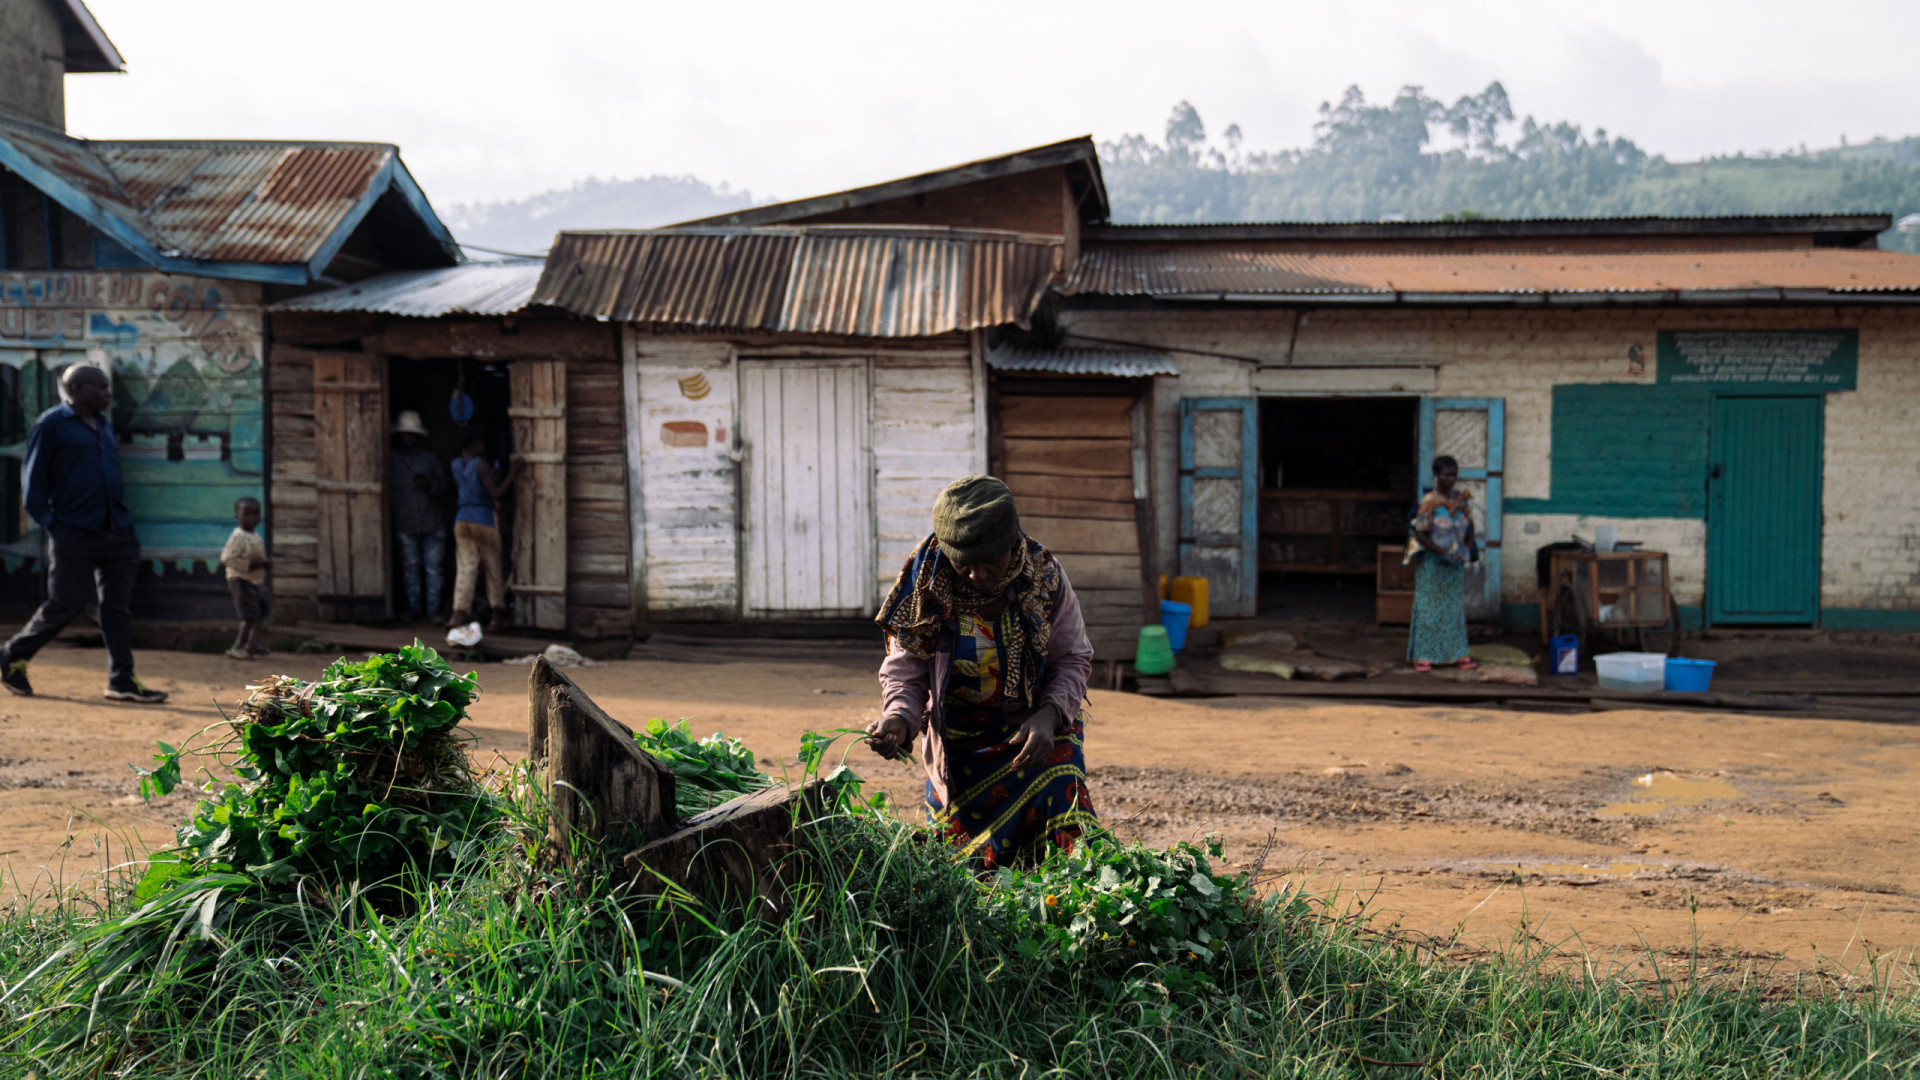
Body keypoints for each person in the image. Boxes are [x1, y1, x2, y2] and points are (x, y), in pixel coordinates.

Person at [867, 475, 1097, 870]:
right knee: (962, 870)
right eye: (963, 564)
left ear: (1011, 543)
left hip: (1032, 731)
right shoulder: (923, 589)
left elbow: (1073, 658)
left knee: (1062, 793)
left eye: (989, 560)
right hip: (959, 744)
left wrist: (1048, 715)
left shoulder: (1044, 578)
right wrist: (899, 719)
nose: (976, 575)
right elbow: (905, 669)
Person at [0, 364, 167, 703]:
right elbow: (32, 489)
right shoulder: (50, 425)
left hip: (117, 530)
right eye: (101, 389)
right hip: (74, 532)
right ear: (76, 390)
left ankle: (121, 681)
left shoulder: (102, 424)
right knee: (66, 604)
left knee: (117, 608)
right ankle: (12, 654)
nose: (108, 395)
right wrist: (56, 527)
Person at [1405, 455, 1479, 674]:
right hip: (1432, 563)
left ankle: (1457, 654)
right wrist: (1442, 552)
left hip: (1454, 563)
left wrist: (1466, 548)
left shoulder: (1461, 500)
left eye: (1454, 475)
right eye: (1447, 475)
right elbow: (1420, 534)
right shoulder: (1430, 501)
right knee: (1429, 608)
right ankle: (1424, 655)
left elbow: (1470, 527)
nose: (1451, 479)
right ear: (1436, 475)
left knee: (1453, 609)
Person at [447, 432, 520, 628]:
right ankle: (497, 615)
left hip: (462, 518)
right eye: (479, 441)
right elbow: (496, 492)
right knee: (492, 566)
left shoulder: (455, 464)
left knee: (466, 566)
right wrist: (512, 473)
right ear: (473, 443)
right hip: (483, 518)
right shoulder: (480, 463)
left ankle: (458, 613)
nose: (482, 444)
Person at [390, 411, 448, 623]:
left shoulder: (429, 460)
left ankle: (433, 611)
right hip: (405, 522)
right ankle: (414, 610)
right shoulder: (392, 460)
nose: (409, 438)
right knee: (410, 570)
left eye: (412, 434)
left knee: (433, 569)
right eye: (405, 434)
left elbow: (444, 487)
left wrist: (429, 486)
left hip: (431, 522)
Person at [221, 497, 271, 659]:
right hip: (239, 580)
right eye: (247, 514)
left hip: (254, 581)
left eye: (256, 514)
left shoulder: (255, 535)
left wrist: (264, 564)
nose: (252, 518)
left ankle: (252, 644)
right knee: (250, 616)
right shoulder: (238, 536)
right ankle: (239, 648)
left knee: (262, 611)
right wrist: (249, 564)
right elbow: (227, 559)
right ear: (237, 516)